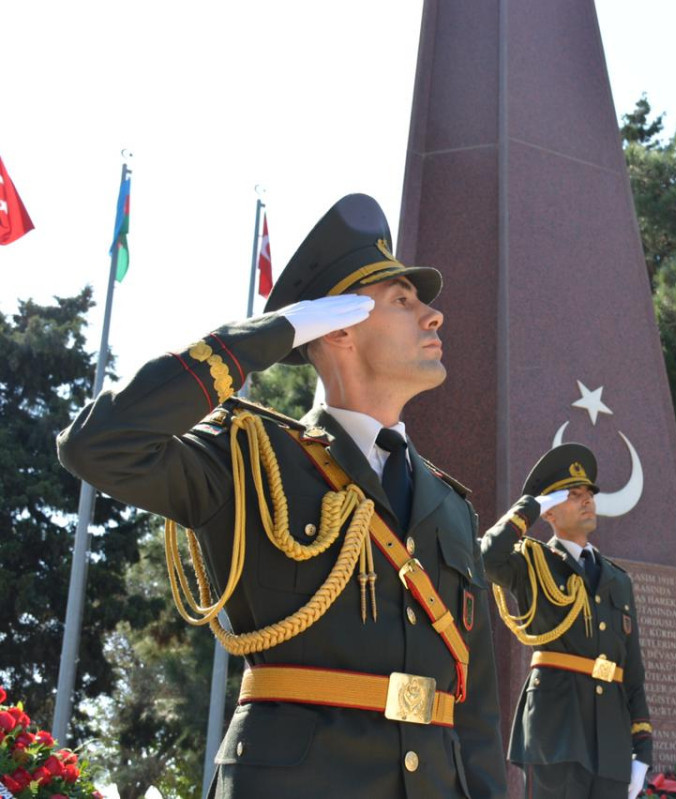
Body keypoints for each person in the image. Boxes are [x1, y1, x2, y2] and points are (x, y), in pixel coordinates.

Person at [57, 194, 506, 798]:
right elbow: (98, 445)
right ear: (339, 326)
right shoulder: (248, 456)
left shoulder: (451, 506)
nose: (433, 316)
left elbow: (472, 708)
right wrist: (276, 333)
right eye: (403, 300)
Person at [480, 444, 651, 799]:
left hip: (612, 739)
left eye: (589, 493)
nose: (587, 500)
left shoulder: (618, 580)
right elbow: (487, 558)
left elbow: (631, 670)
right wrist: (530, 507)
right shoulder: (531, 561)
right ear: (550, 511)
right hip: (556, 732)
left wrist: (643, 750)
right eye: (573, 495)